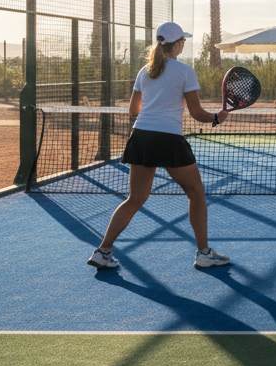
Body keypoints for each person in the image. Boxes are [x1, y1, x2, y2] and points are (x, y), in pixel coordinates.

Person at [87, 22, 231, 270]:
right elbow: (197, 113)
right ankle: (203, 253)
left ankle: (103, 251)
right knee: (196, 192)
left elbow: (134, 109)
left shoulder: (145, 71)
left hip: (141, 136)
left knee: (135, 199)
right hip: (168, 139)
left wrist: (156, 104)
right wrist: (217, 118)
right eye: (183, 40)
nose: (184, 43)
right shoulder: (185, 71)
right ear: (177, 44)